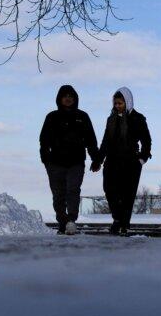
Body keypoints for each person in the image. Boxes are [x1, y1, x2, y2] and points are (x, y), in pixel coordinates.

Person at [39, 84, 100, 235]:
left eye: (70, 96)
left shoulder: (83, 117)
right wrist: (45, 160)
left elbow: (91, 140)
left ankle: (71, 221)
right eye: (65, 96)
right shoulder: (52, 117)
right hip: (55, 163)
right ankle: (63, 222)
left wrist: (96, 159)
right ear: (60, 98)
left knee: (73, 190)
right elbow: (44, 140)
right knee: (58, 194)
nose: (68, 98)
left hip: (76, 162)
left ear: (75, 99)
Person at [93, 87, 151, 236]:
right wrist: (98, 160)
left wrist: (142, 158)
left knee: (127, 195)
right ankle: (117, 219)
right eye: (116, 103)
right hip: (112, 160)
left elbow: (146, 139)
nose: (117, 106)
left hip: (131, 161)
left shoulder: (137, 118)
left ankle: (124, 224)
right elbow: (105, 141)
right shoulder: (111, 119)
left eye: (120, 103)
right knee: (109, 189)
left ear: (127, 102)